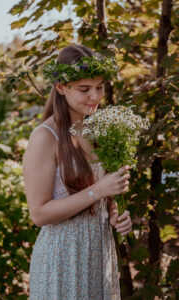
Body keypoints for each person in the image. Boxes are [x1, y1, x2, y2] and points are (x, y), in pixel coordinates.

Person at [23, 44, 132, 300]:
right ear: (61, 87)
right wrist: (97, 191)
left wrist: (115, 214)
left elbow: (102, 195)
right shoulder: (45, 137)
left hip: (98, 256)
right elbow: (38, 213)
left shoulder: (97, 130)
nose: (94, 96)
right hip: (62, 259)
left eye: (99, 87)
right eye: (84, 89)